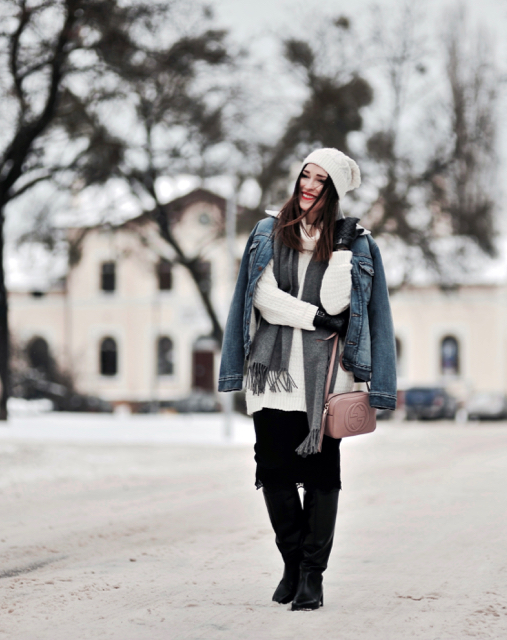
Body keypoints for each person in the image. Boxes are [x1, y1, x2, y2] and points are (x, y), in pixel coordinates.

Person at [218, 148, 397, 611]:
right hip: (271, 374)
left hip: (325, 380)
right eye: (305, 175)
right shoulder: (266, 233)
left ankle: (313, 577)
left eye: (321, 180)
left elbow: (340, 303)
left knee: (320, 477)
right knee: (273, 473)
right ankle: (292, 563)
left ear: (333, 191)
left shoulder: (353, 242)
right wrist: (314, 318)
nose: (309, 185)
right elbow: (262, 297)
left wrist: (340, 249)